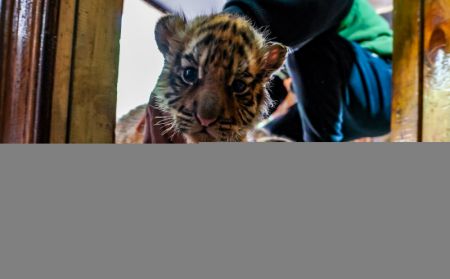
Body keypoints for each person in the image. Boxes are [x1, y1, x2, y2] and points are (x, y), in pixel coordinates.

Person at [145, 0, 392, 142]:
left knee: (315, 48)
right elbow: (266, 92)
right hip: (337, 105)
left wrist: (237, 24)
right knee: (270, 138)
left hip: (388, 86)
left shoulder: (303, 23)